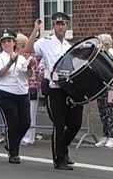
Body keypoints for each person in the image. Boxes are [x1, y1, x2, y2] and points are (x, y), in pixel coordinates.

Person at [34, 13, 82, 170]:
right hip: (54, 89)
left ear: (67, 26)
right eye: (58, 24)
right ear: (53, 26)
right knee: (59, 124)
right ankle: (58, 158)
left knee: (75, 124)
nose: (61, 27)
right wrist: (35, 30)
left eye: (64, 24)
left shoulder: (69, 47)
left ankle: (63, 148)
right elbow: (28, 48)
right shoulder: (45, 42)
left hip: (68, 89)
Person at [0, 29, 36, 163]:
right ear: (1, 45)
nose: (7, 44)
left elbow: (28, 75)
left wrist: (30, 67)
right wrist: (10, 62)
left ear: (14, 43)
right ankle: (14, 153)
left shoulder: (22, 58)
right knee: (13, 123)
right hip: (5, 93)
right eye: (4, 42)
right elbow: (0, 73)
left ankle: (12, 143)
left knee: (26, 122)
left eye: (9, 41)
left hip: (21, 92)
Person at [94, 33, 113, 148]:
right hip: (101, 87)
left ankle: (112, 136)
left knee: (109, 110)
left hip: (110, 87)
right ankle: (105, 135)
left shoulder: (112, 54)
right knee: (102, 111)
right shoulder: (101, 54)